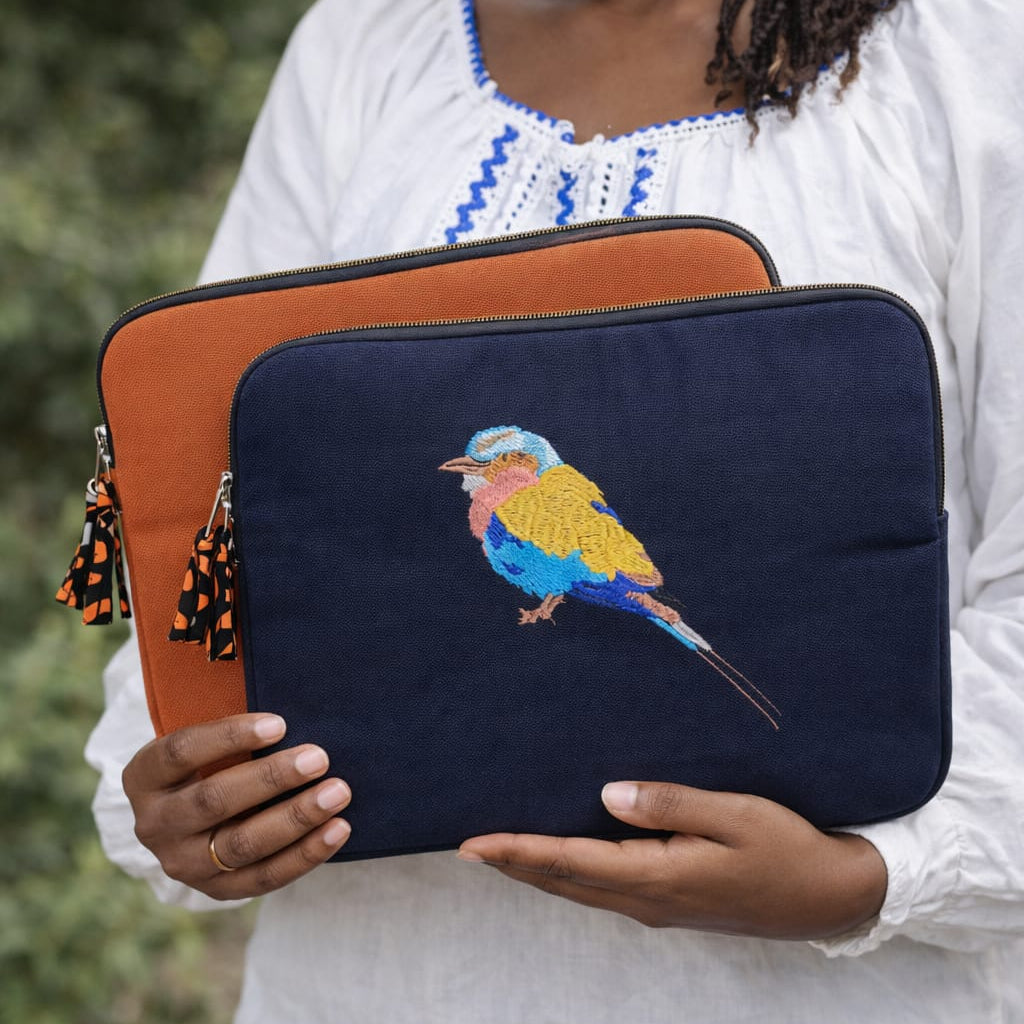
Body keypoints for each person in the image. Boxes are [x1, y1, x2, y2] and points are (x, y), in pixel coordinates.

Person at [86, 0, 1024, 1020]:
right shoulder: (364, 41)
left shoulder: (974, 52)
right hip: (378, 985)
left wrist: (867, 874)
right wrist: (198, 789)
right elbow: (209, 494)